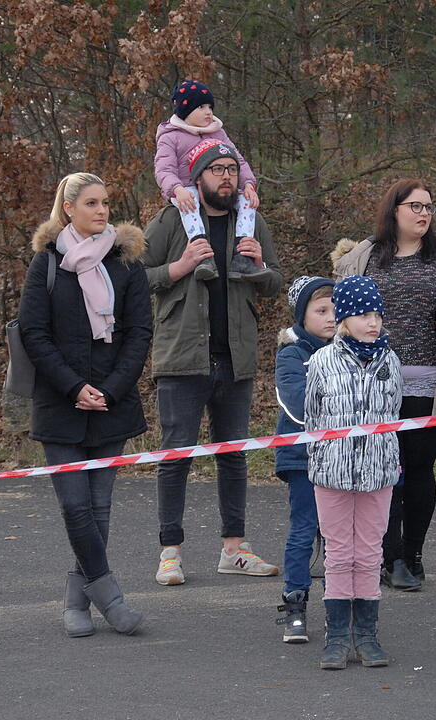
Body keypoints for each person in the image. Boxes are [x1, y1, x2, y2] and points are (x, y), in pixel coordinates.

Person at [141, 139, 285, 585]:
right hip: (183, 358)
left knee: (234, 457)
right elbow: (132, 279)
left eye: (231, 169)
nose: (227, 177)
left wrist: (261, 264)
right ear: (197, 177)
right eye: (216, 170)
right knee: (176, 455)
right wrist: (180, 266)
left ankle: (234, 551)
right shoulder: (170, 221)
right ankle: (170, 553)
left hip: (235, 358)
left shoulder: (252, 221)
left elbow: (275, 282)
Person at [333, 178, 436, 590]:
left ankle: (412, 555)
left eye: (429, 207)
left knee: (418, 470)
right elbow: (339, 318)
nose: (424, 213)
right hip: (370, 385)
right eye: (415, 205)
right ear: (394, 209)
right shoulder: (362, 258)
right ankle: (388, 556)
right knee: (383, 472)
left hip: (427, 386)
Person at [17, 173, 152, 638]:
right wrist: (74, 387)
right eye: (92, 203)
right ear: (68, 208)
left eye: (107, 203)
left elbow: (139, 334)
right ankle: (110, 597)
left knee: (99, 508)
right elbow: (34, 333)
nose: (102, 211)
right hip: (60, 404)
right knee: (75, 506)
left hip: (111, 404)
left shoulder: (127, 263)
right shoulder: (47, 264)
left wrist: (110, 390)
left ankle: (76, 598)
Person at [306, 275, 402, 670]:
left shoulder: (391, 361)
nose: (373, 321)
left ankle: (367, 634)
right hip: (332, 474)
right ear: (345, 318)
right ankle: (337, 635)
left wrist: (386, 459)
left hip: (378, 474)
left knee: (369, 552)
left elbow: (394, 414)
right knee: (338, 553)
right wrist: (323, 458)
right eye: (363, 314)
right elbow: (311, 417)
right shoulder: (321, 361)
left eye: (377, 313)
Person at [273, 275, 336, 643]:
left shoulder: (352, 349)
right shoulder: (292, 354)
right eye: (321, 310)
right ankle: (295, 605)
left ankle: (337, 605)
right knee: (303, 531)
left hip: (341, 459)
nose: (331, 316)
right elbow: (298, 407)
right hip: (302, 459)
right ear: (302, 315)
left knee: (336, 537)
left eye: (334, 309)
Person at [154, 79, 268, 281]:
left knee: (247, 202)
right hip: (184, 189)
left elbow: (238, 161)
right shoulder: (170, 136)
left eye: (210, 106)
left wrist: (248, 184)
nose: (208, 112)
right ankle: (202, 252)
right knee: (190, 201)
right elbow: (164, 168)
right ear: (184, 111)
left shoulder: (217, 132)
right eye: (201, 107)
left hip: (216, 190)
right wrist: (176, 189)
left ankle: (242, 250)